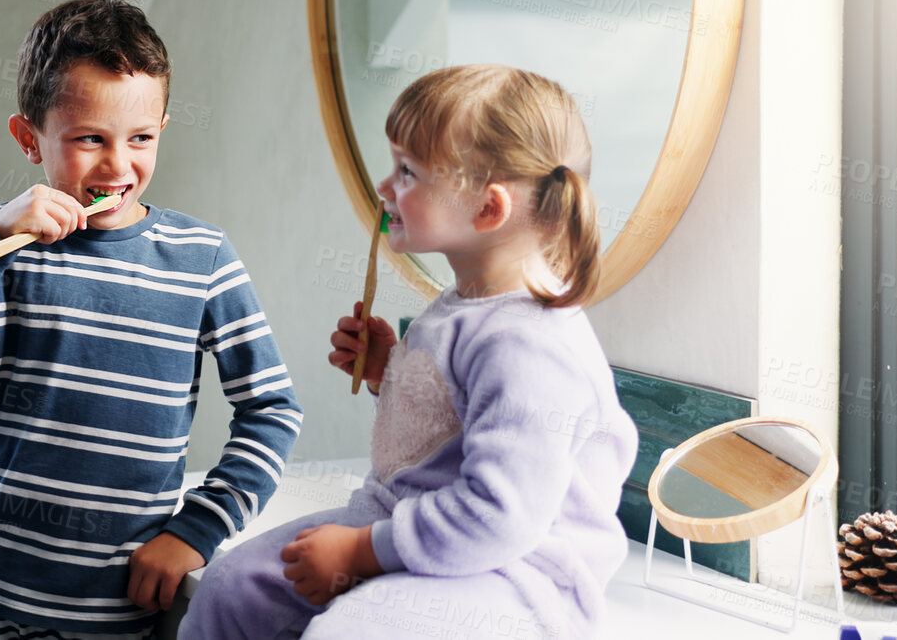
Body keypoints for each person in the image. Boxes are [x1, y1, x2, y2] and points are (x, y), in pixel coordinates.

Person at [0, 0, 302, 638]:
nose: (118, 165)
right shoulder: (4, 248)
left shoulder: (202, 258)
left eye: (142, 138)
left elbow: (272, 411)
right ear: (28, 138)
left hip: (108, 611)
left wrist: (199, 527)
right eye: (90, 138)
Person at [180, 64, 637, 640]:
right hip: (411, 527)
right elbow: (441, 439)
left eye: (407, 172)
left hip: (512, 571)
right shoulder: (465, 302)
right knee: (232, 588)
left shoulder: (530, 344)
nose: (383, 187)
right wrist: (386, 375)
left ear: (488, 209)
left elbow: (500, 515)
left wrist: (361, 552)